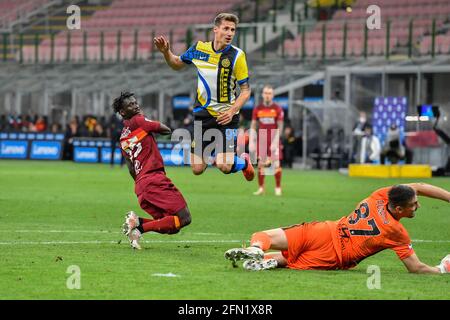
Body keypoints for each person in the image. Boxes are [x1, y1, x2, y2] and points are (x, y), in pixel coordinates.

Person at [225, 183, 450, 274]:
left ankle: (257, 248)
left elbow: (418, 186)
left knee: (265, 235)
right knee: (291, 260)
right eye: (413, 205)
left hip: (325, 230)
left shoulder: (382, 195)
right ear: (399, 208)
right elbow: (416, 268)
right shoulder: (397, 233)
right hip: (333, 257)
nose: (418, 205)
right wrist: (441, 269)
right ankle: (268, 260)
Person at [154, 13, 254, 181]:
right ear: (215, 29)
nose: (229, 33)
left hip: (227, 118)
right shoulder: (199, 49)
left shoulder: (238, 55)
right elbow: (177, 64)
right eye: (226, 28)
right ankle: (223, 154)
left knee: (223, 165)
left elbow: (246, 91)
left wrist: (232, 111)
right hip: (203, 116)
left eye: (233, 30)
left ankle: (242, 162)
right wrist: (166, 53)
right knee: (197, 168)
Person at [113, 92, 192, 250]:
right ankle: (138, 230)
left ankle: (138, 222)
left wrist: (141, 185)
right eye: (130, 105)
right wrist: (145, 119)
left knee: (172, 225)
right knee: (184, 218)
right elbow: (166, 129)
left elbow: (130, 168)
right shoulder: (138, 120)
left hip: (141, 186)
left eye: (135, 103)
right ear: (122, 112)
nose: (135, 106)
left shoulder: (123, 138)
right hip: (154, 179)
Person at [249, 85, 284, 196]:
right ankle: (261, 188)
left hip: (274, 138)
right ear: (263, 94)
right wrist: (252, 141)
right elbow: (253, 125)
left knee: (276, 163)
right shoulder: (257, 109)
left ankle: (278, 188)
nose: (267, 95)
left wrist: (275, 141)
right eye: (265, 93)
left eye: (269, 93)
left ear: (272, 95)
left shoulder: (277, 109)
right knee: (261, 164)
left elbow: (280, 126)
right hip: (262, 139)